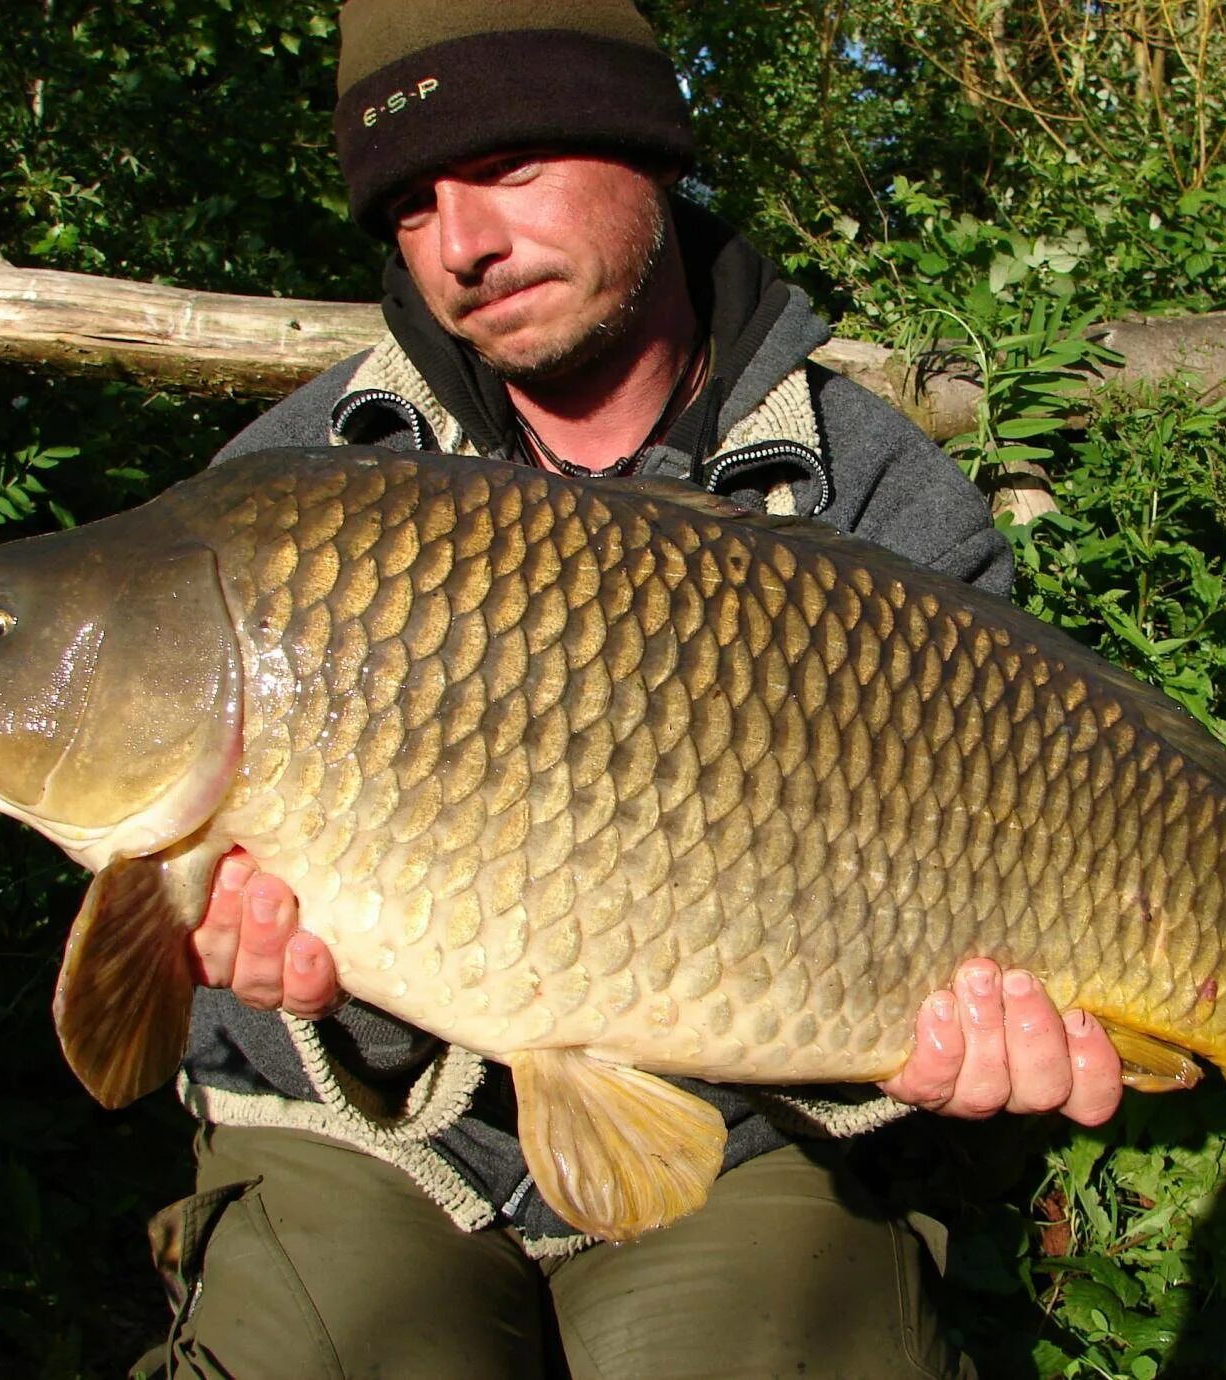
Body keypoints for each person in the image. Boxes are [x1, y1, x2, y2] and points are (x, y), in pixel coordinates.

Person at [134, 4, 1122, 1376]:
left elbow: (975, 918)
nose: (463, 242)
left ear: (649, 148)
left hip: (742, 1119)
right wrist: (323, 987)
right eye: (412, 205)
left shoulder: (882, 496)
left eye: (509, 165)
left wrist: (950, 1071)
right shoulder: (297, 490)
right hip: (362, 1134)